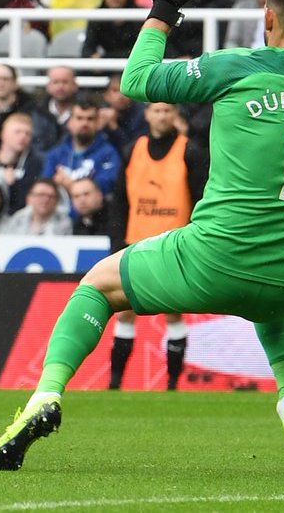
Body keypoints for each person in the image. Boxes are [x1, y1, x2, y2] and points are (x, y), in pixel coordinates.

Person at [0, 0, 284, 475]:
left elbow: (135, 80)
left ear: (267, 18)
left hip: (213, 259)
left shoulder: (236, 67)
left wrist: (165, 5)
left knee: (97, 285)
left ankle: (45, 397)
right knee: (274, 296)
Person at [107, 100, 208, 391]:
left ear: (175, 115)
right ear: (147, 115)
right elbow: (120, 200)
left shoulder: (190, 151)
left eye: (167, 111)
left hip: (174, 246)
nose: (162, 116)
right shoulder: (132, 150)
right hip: (135, 244)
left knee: (173, 311)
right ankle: (115, 383)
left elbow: (201, 199)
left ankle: (172, 383)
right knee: (124, 310)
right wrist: (117, 241)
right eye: (156, 110)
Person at [41, 97, 121, 203]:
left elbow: (105, 187)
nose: (84, 123)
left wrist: (70, 184)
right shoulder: (55, 154)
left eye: (90, 119)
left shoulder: (109, 154)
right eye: (79, 118)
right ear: (69, 122)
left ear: (98, 123)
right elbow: (45, 186)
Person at [0, 177, 71, 235]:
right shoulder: (18, 219)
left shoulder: (65, 223)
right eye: (41, 195)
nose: (45, 200)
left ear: (57, 201)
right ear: (29, 198)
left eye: (50, 196)